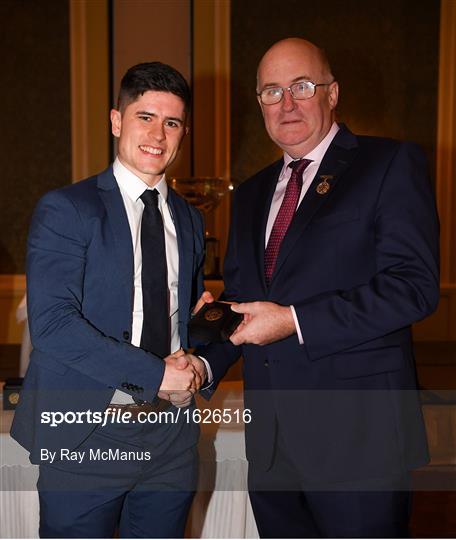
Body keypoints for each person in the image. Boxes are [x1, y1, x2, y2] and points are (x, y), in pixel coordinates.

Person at [197, 38, 440, 538]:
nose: (286, 103)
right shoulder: (251, 193)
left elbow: (413, 287)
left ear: (332, 94)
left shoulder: (389, 164)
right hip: (272, 446)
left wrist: (293, 321)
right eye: (271, 91)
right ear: (259, 104)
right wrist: (199, 359)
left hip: (359, 442)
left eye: (301, 87)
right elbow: (245, 306)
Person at [11, 62, 214, 538]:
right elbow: (54, 325)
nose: (158, 134)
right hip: (87, 435)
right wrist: (157, 374)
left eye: (172, 122)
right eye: (145, 116)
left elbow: (187, 320)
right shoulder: (68, 209)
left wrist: (202, 357)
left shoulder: (188, 219)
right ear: (116, 121)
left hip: (170, 441)